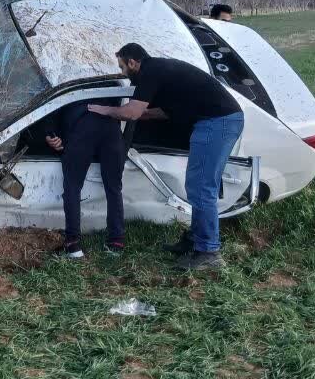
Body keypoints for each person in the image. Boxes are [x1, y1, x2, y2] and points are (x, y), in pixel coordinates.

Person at [88, 43, 245, 271]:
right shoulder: (160, 70)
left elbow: (131, 112)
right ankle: (195, 239)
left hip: (217, 122)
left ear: (133, 62)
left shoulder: (150, 71)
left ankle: (209, 252)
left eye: (122, 66)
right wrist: (142, 115)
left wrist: (105, 111)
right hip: (217, 120)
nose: (122, 72)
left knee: (201, 187)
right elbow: (161, 111)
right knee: (197, 185)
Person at [39, 100, 126, 258]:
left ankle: (73, 246)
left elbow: (53, 103)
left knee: (73, 186)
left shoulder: (70, 74)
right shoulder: (112, 77)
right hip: (112, 128)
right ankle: (116, 242)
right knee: (114, 187)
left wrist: (50, 133)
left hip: (82, 126)